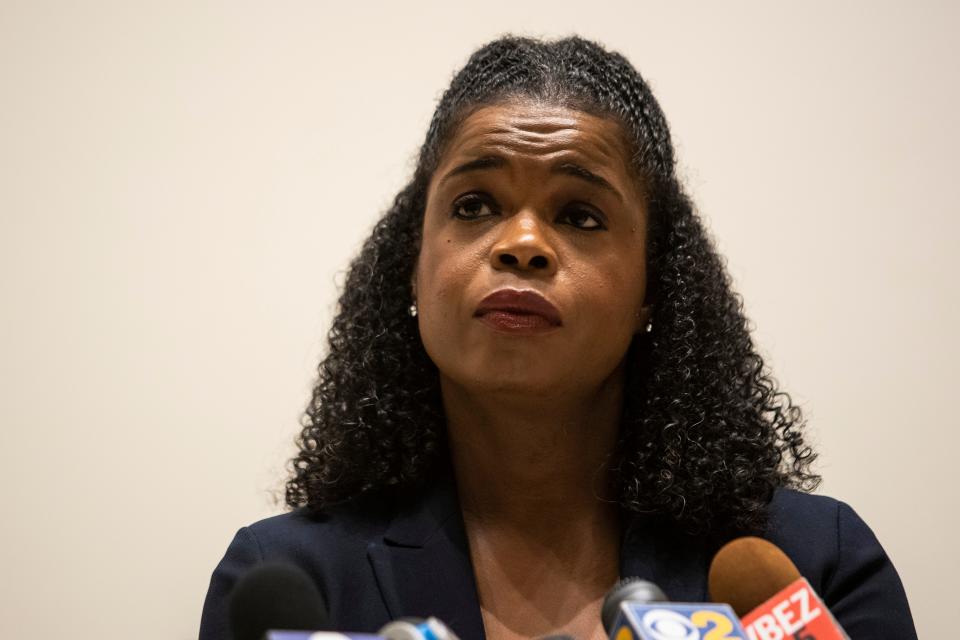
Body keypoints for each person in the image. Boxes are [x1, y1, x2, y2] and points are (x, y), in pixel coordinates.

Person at [199, 35, 916, 640]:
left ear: (652, 289)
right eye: (474, 205)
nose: (522, 244)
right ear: (411, 271)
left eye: (580, 215)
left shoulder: (817, 564)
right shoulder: (289, 582)